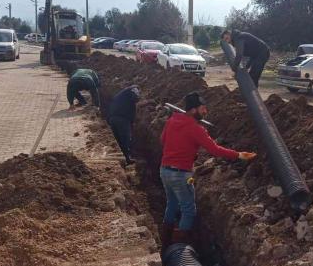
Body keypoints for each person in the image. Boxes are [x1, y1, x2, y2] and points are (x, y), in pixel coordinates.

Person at [159, 92, 256, 249]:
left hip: (164, 170)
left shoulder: (172, 120)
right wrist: (238, 155)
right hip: (180, 174)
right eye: (203, 109)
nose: (205, 112)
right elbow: (215, 150)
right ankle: (178, 250)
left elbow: (162, 140)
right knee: (188, 210)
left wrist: (179, 150)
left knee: (172, 204)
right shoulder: (196, 129)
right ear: (193, 110)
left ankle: (165, 242)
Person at [107, 85, 140, 166]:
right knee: (126, 139)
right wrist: (138, 99)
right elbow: (136, 97)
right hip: (122, 119)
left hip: (112, 119)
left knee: (119, 140)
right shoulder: (134, 88)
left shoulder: (121, 95)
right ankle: (128, 158)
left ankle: (126, 157)